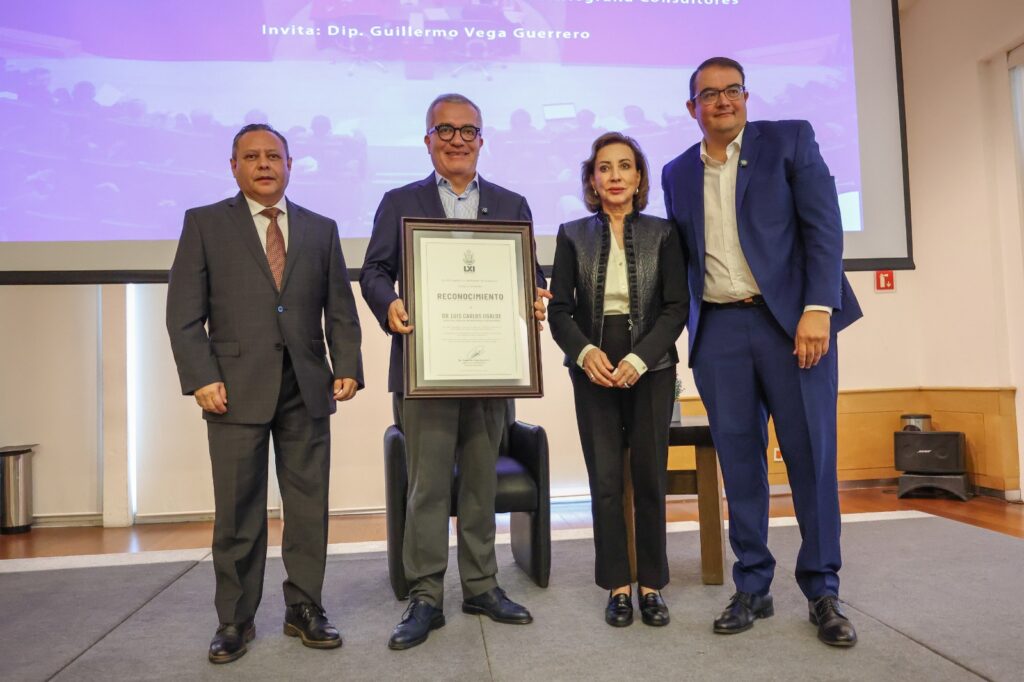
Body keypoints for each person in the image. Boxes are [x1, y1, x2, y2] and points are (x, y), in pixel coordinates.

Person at [661, 57, 863, 647]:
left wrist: (818, 310)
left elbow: (823, 228)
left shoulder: (789, 141)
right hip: (720, 333)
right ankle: (752, 584)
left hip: (793, 328)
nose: (724, 101)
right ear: (691, 107)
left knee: (811, 459)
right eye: (710, 94)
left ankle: (822, 589)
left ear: (746, 96)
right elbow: (678, 260)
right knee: (740, 466)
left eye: (734, 90)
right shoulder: (676, 173)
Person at [166, 123, 363, 664]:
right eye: (250, 157)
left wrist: (346, 364)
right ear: (234, 167)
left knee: (308, 508)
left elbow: (339, 310)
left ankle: (306, 608)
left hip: (306, 387)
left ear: (290, 163)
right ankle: (235, 619)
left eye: (272, 156)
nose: (263, 165)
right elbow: (184, 315)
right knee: (237, 511)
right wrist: (202, 377)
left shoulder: (320, 229)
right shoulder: (205, 224)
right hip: (232, 391)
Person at [360, 93, 550, 651]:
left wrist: (537, 295)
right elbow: (374, 269)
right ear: (428, 140)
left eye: (468, 131)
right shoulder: (400, 201)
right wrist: (387, 303)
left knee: (481, 481)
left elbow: (527, 271)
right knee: (426, 486)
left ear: (482, 140)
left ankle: (482, 586)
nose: (458, 140)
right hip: (426, 368)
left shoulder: (512, 203)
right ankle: (424, 595)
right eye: (446, 130)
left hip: (492, 371)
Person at [548, 132, 687, 627]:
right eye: (604, 168)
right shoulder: (570, 234)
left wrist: (642, 358)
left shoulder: (665, 234)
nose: (614, 176)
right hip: (592, 364)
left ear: (639, 177)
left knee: (649, 477)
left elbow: (676, 309)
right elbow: (559, 310)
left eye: (624, 167)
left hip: (651, 364)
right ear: (592, 179)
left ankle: (651, 585)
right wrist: (585, 353)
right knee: (605, 480)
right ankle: (617, 586)